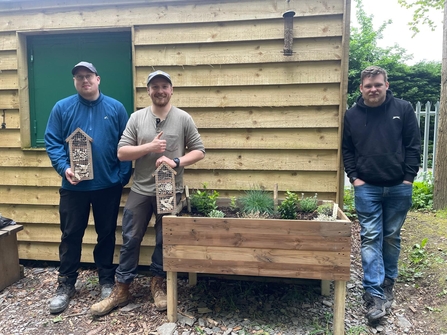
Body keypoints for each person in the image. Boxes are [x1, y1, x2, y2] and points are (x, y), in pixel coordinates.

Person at [90, 70, 205, 316]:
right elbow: (122, 153)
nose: (160, 91)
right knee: (131, 238)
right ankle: (122, 288)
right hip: (141, 189)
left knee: (165, 239)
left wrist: (176, 161)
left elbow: (199, 151)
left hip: (169, 190)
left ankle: (158, 283)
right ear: (148, 91)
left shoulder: (183, 118)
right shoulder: (136, 118)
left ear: (171, 90)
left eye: (164, 86)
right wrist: (149, 147)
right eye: (155, 87)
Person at [45, 61, 132, 314]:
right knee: (71, 234)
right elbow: (52, 142)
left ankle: (106, 280)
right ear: (75, 81)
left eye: (89, 76)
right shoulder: (62, 108)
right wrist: (64, 168)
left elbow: (126, 142)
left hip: (108, 186)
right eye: (79, 77)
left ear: (98, 79)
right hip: (73, 188)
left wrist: (121, 177)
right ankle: (66, 285)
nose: (85, 80)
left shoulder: (115, 108)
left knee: (106, 234)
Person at [342, 66, 421, 324]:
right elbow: (348, 150)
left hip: (399, 186)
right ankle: (374, 294)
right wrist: (355, 179)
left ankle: (388, 282)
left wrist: (408, 178)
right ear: (361, 88)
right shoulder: (352, 115)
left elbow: (413, 145)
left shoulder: (403, 109)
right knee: (371, 236)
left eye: (377, 84)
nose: (373, 89)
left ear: (386, 84)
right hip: (367, 188)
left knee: (390, 236)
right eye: (368, 85)